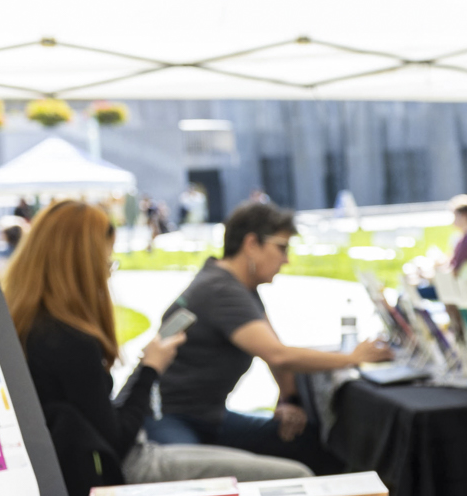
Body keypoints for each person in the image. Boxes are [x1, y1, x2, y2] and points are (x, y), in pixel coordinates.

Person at [4, 200, 309, 496]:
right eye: (106, 262)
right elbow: (116, 440)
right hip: (133, 464)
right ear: (82, 264)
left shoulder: (23, 327)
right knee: (297, 477)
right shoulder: (69, 339)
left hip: (111, 461)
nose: (107, 275)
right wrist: (151, 368)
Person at [146, 200, 393, 471]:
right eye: (282, 248)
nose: (286, 259)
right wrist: (351, 357)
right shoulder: (221, 290)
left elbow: (273, 352)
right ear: (251, 244)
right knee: (195, 488)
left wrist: (290, 401)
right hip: (169, 418)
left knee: (311, 442)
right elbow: (278, 354)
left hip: (209, 417)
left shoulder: (238, 286)